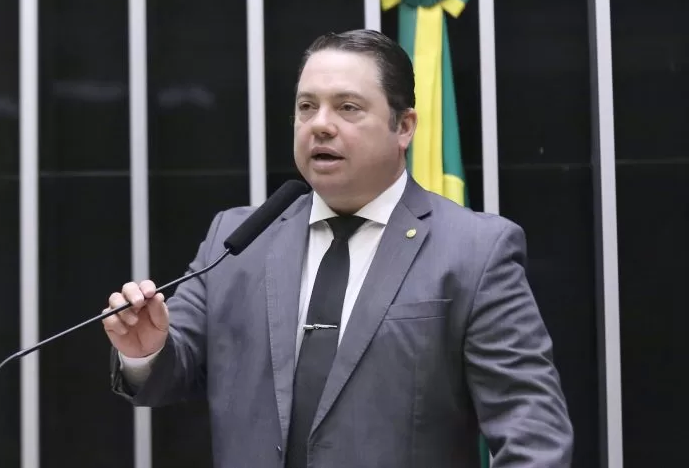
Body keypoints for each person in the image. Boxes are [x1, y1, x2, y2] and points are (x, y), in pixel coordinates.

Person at [102, 29, 573, 467]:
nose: (320, 125)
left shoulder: (474, 251)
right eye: (307, 107)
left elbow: (532, 433)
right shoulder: (239, 237)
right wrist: (145, 352)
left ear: (404, 126)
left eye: (347, 107)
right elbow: (169, 372)